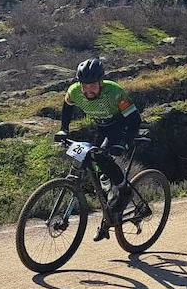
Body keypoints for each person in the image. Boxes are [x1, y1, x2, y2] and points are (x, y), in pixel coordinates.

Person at [57, 57, 141, 240]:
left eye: (93, 85)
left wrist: (124, 142)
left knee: (103, 157)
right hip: (101, 126)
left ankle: (123, 188)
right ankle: (109, 207)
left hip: (121, 125)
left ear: (101, 82)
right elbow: (67, 108)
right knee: (89, 159)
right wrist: (64, 129)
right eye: (84, 86)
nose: (88, 90)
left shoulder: (115, 93)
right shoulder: (74, 91)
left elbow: (134, 119)